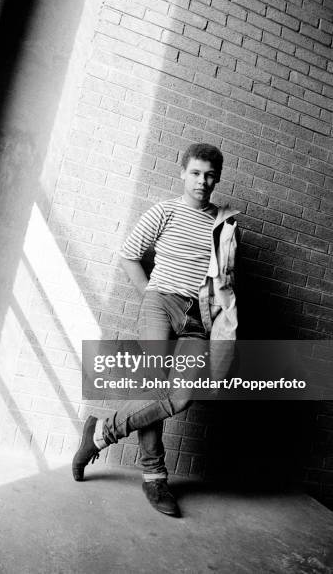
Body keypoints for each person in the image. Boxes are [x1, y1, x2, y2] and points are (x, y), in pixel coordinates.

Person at [72, 143, 240, 517]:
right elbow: (130, 255)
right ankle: (155, 477)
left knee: (180, 396)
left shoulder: (225, 224)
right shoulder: (164, 211)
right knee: (153, 388)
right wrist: (151, 295)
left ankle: (99, 432)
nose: (202, 181)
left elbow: (225, 280)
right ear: (183, 173)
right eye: (195, 173)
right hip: (160, 303)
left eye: (210, 175)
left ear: (217, 178)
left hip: (199, 317)